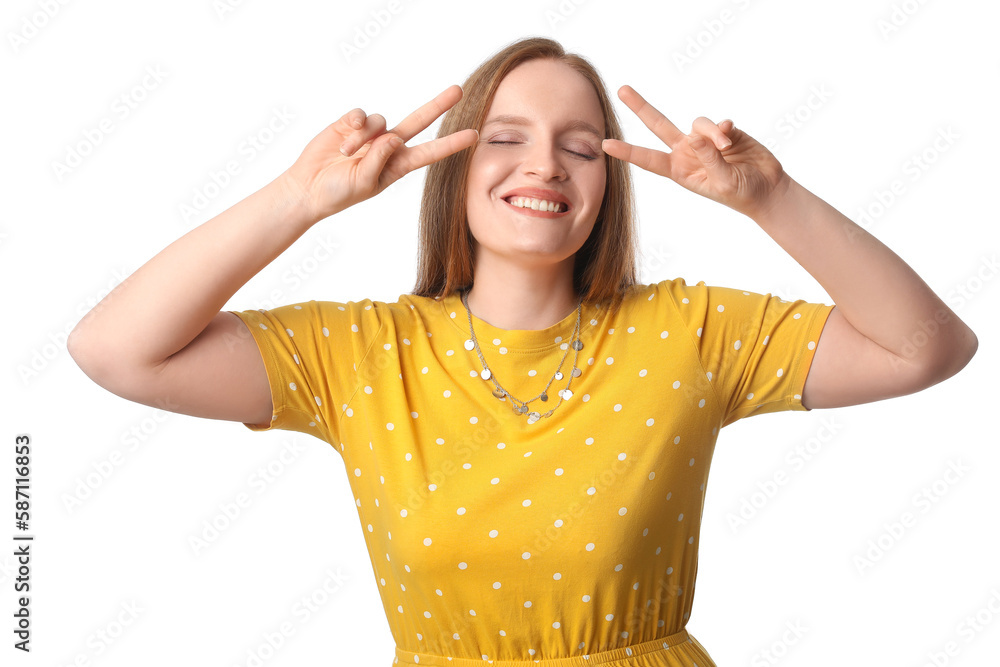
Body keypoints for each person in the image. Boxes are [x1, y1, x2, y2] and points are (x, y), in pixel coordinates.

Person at [68, 36, 978, 667]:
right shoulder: (360, 352)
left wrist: (769, 197)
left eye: (580, 147)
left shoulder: (690, 332)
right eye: (505, 138)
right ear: (455, 170)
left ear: (607, 185)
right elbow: (114, 349)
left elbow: (926, 347)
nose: (543, 165)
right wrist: (299, 199)